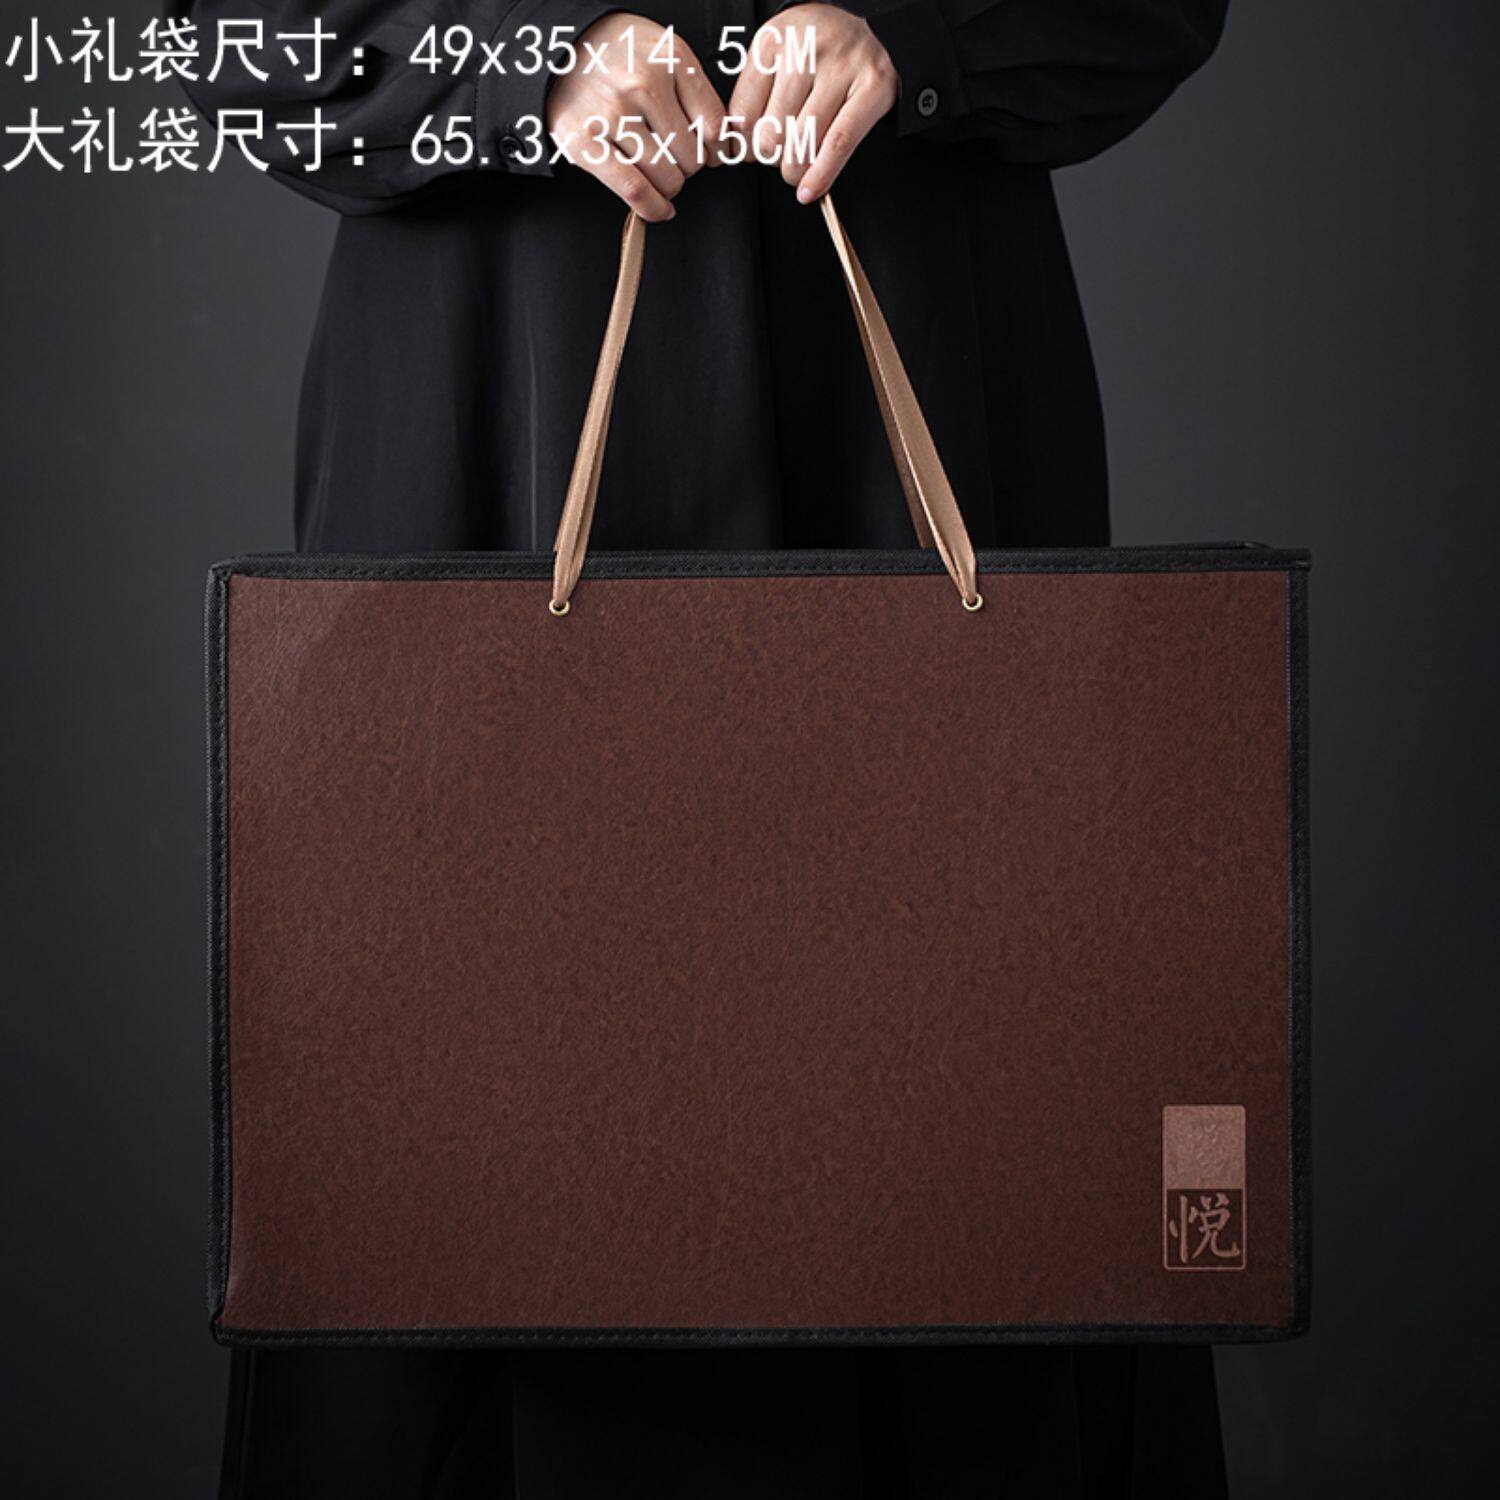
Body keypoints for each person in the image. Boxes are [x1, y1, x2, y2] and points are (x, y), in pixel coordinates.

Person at [178, 2, 1231, 1494]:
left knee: (976, 1140)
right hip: (487, 396)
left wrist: (918, 35)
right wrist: (522, 58)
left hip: (909, 380)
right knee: (444, 1155)